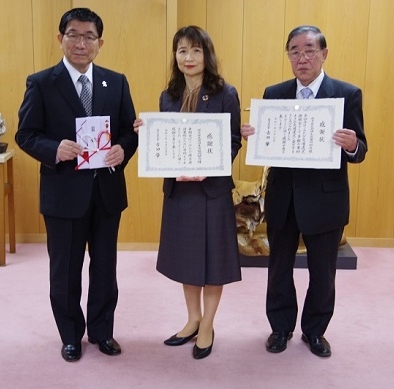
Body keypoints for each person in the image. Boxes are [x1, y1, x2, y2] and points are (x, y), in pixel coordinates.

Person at [15, 8, 138, 362]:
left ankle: (102, 332)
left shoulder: (116, 82)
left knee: (105, 268)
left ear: (100, 43)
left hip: (106, 192)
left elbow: (130, 132)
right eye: (73, 35)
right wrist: (54, 148)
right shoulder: (41, 82)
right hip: (63, 193)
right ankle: (71, 335)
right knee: (65, 270)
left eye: (88, 36)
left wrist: (122, 149)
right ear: (60, 39)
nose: (81, 43)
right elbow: (25, 134)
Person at [241, 25, 367, 358]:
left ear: (324, 54)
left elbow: (361, 148)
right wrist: (255, 136)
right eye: (295, 51)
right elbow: (269, 143)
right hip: (284, 197)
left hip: (326, 199)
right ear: (288, 56)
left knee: (323, 272)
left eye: (309, 50)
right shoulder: (274, 93)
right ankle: (280, 328)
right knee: (278, 268)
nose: (302, 57)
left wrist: (353, 145)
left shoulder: (347, 94)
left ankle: (314, 331)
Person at [133, 26, 242, 359]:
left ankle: (207, 324)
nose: (188, 57)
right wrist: (146, 134)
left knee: (214, 260)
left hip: (211, 190)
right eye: (181, 51)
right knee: (188, 258)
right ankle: (192, 318)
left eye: (195, 50)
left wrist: (208, 167)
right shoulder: (168, 96)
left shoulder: (226, 93)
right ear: (175, 56)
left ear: (206, 54)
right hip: (180, 191)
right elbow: (165, 143)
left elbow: (234, 141)